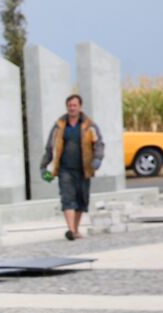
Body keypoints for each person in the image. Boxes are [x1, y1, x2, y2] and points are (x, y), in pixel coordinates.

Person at [42, 93, 105, 241]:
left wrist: (98, 158)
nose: (72, 108)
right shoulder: (59, 125)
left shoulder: (89, 125)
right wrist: (43, 165)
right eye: (70, 105)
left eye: (74, 105)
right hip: (64, 169)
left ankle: (75, 229)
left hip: (84, 168)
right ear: (67, 107)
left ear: (80, 107)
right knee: (67, 198)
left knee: (81, 200)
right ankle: (70, 230)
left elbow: (99, 143)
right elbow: (50, 146)